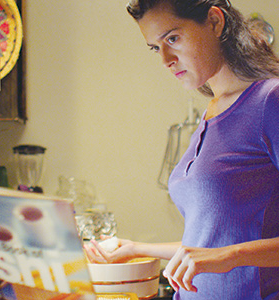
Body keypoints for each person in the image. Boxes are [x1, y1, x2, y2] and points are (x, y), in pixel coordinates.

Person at [84, 0, 279, 299]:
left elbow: (222, 254)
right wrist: (135, 248)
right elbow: (207, 246)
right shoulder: (211, 112)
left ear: (215, 22)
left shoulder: (270, 101)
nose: (165, 59)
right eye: (154, 47)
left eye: (172, 38)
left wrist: (229, 257)